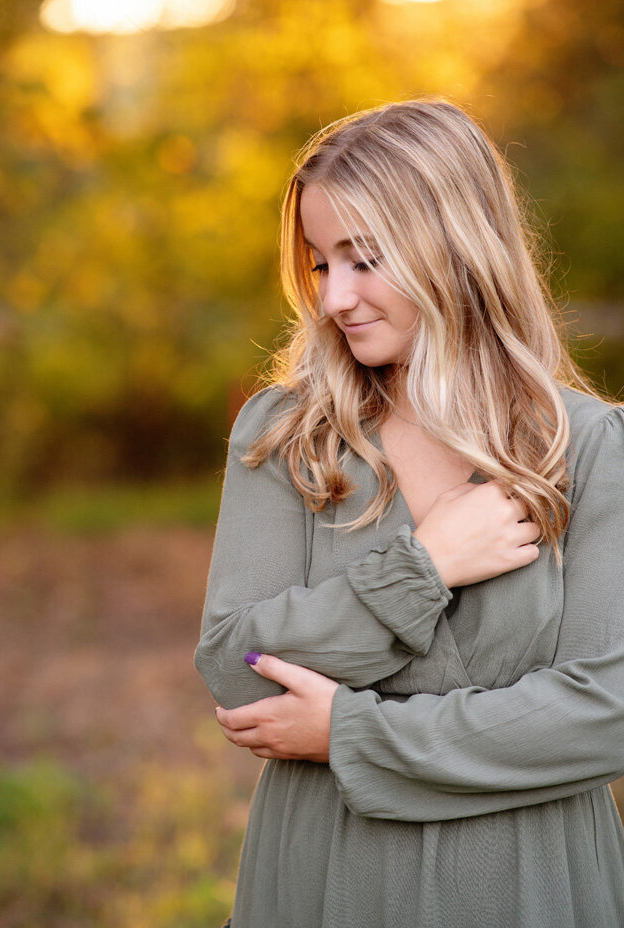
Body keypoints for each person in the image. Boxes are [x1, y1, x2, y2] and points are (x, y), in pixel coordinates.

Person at [194, 100, 624, 928]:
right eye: (320, 265)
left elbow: (605, 713)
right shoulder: (288, 435)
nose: (333, 300)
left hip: (531, 881)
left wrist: (349, 734)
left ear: (456, 249)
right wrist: (423, 569)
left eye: (364, 261)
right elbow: (232, 662)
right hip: (322, 873)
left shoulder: (592, 446)